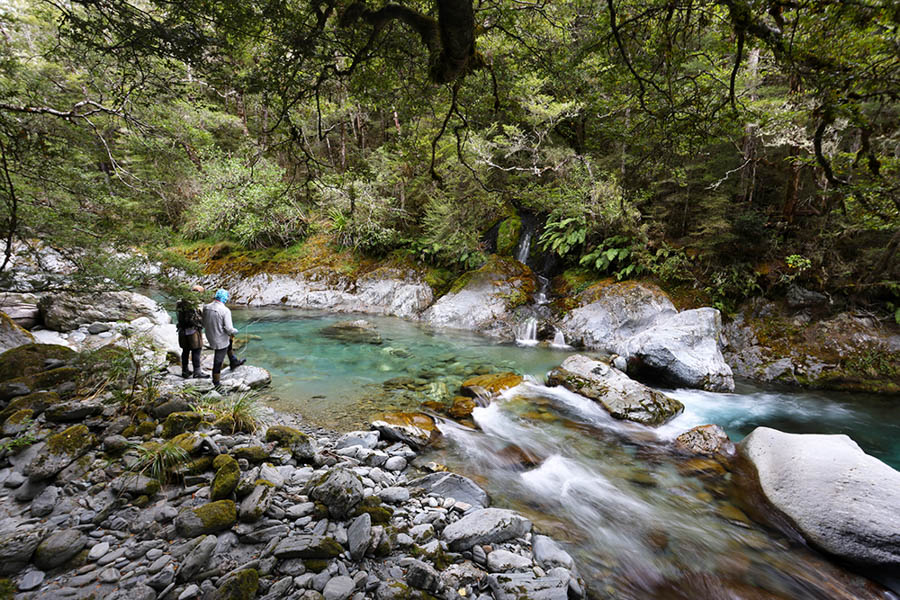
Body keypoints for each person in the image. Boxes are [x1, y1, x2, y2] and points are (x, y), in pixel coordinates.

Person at [202, 288, 246, 388]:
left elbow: (203, 322)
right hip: (220, 340)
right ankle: (216, 382)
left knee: (229, 340)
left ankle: (233, 361)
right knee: (218, 360)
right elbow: (229, 328)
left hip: (210, 335)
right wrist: (235, 331)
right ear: (225, 298)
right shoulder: (225, 310)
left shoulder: (206, 307)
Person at [176, 285, 209, 379]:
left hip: (182, 330)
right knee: (196, 350)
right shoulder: (197, 303)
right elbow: (202, 316)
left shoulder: (180, 301)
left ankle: (185, 371)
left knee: (185, 351)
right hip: (194, 331)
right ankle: (197, 372)